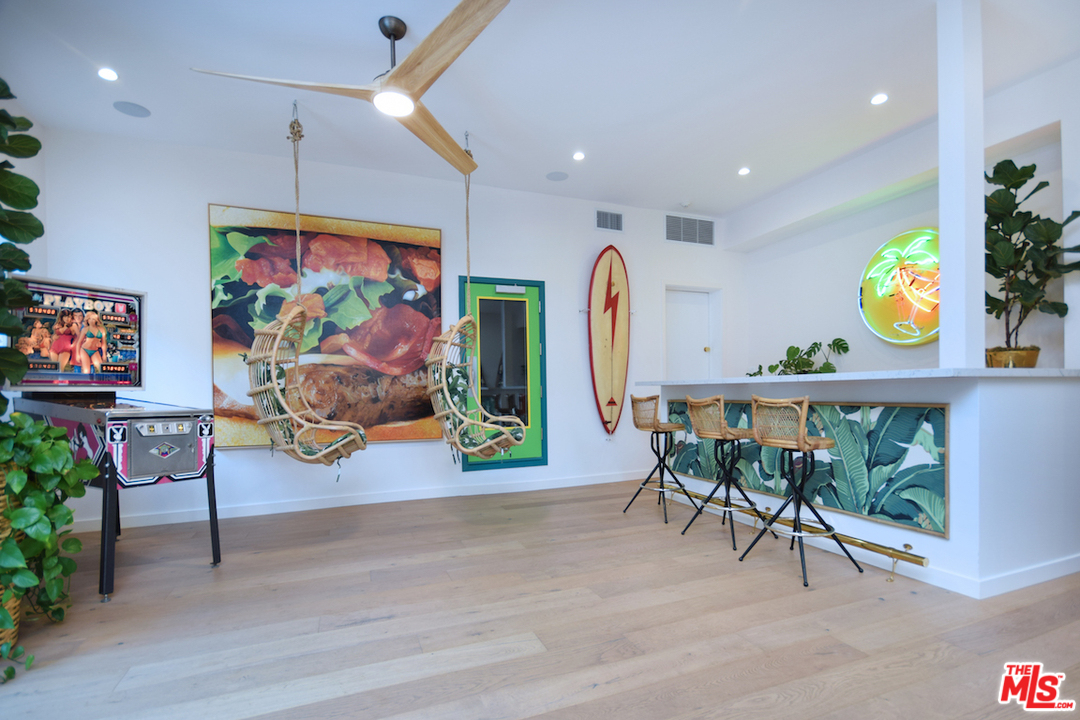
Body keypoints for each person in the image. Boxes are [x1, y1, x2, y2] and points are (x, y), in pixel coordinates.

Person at [76, 310, 107, 374]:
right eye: (89, 319)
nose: (91, 321)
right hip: (84, 350)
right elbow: (79, 342)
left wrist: (104, 354)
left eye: (93, 319)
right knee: (86, 371)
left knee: (101, 368)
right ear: (87, 320)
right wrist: (77, 354)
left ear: (96, 320)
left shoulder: (101, 329)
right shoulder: (85, 329)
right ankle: (87, 383)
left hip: (95, 351)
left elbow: (104, 343)